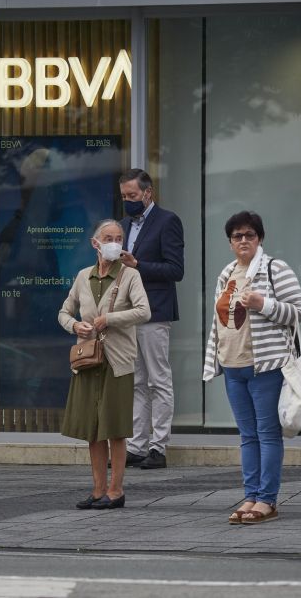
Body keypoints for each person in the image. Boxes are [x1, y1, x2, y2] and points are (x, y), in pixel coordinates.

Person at [202, 211, 301, 525]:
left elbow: (297, 311)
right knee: (248, 436)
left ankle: (267, 500)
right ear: (230, 242)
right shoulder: (227, 272)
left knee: (267, 434)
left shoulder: (276, 268)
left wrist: (264, 305)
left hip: (265, 366)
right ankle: (251, 495)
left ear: (259, 238)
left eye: (249, 235)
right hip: (233, 366)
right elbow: (219, 321)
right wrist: (214, 359)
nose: (243, 240)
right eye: (237, 236)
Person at [58, 219, 151, 509]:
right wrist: (75, 326)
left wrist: (108, 319)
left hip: (117, 360)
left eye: (119, 237)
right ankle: (97, 490)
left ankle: (116, 490)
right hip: (88, 360)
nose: (114, 242)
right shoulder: (83, 276)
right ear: (95, 244)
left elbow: (144, 311)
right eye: (108, 237)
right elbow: (63, 311)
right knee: (92, 428)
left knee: (114, 428)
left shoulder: (130, 276)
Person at [117, 168, 184, 470]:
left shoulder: (167, 221)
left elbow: (175, 270)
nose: (128, 201)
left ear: (148, 193)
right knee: (137, 382)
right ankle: (136, 445)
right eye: (124, 196)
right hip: (128, 313)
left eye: (132, 195)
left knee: (159, 379)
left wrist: (138, 265)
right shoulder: (123, 225)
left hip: (155, 311)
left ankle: (158, 447)